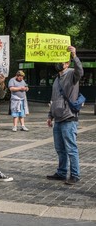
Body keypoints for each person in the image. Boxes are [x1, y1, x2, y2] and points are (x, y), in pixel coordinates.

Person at [47, 45, 84, 185]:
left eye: (61, 61)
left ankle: (75, 175)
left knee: (71, 148)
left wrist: (74, 55)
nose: (58, 64)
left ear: (67, 63)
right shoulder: (56, 79)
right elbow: (53, 98)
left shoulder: (72, 74)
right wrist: (50, 115)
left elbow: (80, 71)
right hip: (58, 119)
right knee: (60, 149)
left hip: (69, 118)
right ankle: (62, 172)